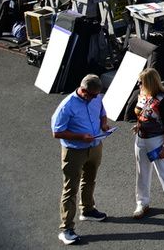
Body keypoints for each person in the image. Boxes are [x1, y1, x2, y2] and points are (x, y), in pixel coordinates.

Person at [52, 74, 110, 246]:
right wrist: (80, 136)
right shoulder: (67, 106)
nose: (95, 98)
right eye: (91, 95)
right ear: (83, 90)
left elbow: (102, 112)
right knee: (70, 188)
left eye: (97, 95)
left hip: (95, 146)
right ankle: (66, 229)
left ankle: (88, 210)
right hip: (74, 151)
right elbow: (57, 132)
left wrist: (104, 124)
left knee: (90, 179)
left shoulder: (96, 97)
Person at [131, 68, 164, 219]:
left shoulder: (163, 99)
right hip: (141, 139)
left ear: (149, 83)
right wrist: (139, 124)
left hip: (157, 140)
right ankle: (142, 203)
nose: (138, 84)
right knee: (142, 173)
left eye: (141, 82)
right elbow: (142, 114)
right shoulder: (141, 95)